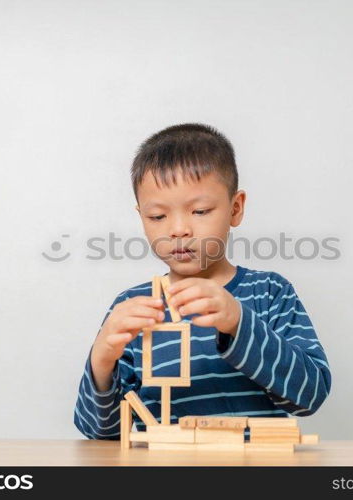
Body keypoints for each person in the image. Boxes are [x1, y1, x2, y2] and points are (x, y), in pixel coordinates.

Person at [74, 123, 331, 439]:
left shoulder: (269, 293)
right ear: (141, 218)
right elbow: (102, 435)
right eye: (157, 216)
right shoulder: (133, 310)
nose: (179, 229)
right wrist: (101, 362)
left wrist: (238, 322)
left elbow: (311, 395)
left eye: (200, 210)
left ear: (235, 209)